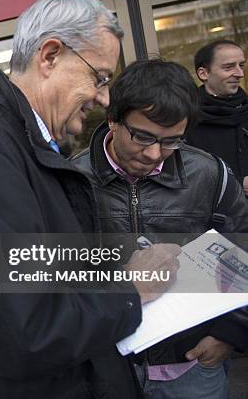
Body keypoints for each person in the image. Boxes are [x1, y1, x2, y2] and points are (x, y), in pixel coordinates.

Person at [0, 0, 180, 398]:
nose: (105, 98)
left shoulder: (25, 149)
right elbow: (28, 328)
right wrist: (131, 288)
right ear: (50, 55)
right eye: (100, 77)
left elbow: (54, 275)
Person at [72, 58, 248, 399]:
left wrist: (230, 333)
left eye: (172, 141)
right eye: (142, 136)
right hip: (109, 372)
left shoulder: (209, 174)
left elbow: (243, 248)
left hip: (193, 367)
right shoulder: (71, 182)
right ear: (113, 120)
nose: (154, 153)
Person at [187, 40, 247, 195]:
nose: (240, 73)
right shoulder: (187, 120)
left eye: (241, 65)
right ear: (203, 74)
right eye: (229, 67)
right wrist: (238, 184)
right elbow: (188, 177)